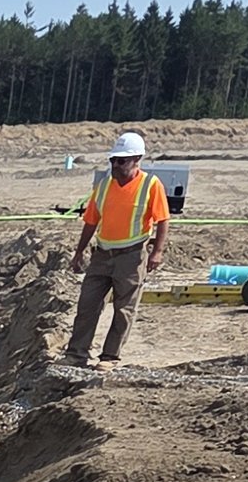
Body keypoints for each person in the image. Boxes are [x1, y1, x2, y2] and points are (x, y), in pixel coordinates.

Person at [66, 131, 170, 363]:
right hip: (102, 255)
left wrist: (157, 252)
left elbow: (163, 220)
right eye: (113, 159)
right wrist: (79, 251)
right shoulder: (104, 186)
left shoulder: (150, 185)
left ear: (137, 159)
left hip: (131, 257)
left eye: (121, 160)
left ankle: (110, 357)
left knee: (124, 309)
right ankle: (76, 353)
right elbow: (91, 221)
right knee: (88, 305)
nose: (115, 164)